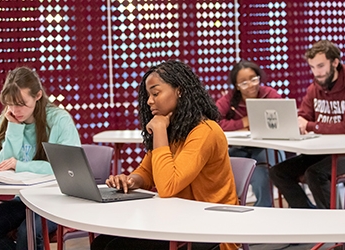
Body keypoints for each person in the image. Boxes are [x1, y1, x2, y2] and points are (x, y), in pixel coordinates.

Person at [91, 60, 239, 250]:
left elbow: (168, 186)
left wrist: (159, 130)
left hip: (211, 228)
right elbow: (147, 171)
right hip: (179, 220)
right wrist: (131, 181)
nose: (149, 101)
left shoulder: (205, 131)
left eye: (155, 93)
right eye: (148, 95)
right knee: (102, 243)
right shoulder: (176, 129)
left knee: (115, 247)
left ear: (179, 90)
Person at [0, 66, 81, 250]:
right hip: (22, 199)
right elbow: (0, 166)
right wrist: (15, 129)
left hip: (57, 198)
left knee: (29, 233)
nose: (15, 110)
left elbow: (68, 168)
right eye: (10, 103)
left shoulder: (59, 120)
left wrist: (22, 166)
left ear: (38, 96)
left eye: (21, 103)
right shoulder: (9, 119)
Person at [269, 40, 345, 209]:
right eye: (313, 67)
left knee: (314, 174)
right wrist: (300, 123)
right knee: (278, 172)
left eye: (321, 66)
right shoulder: (314, 89)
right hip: (321, 151)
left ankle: (331, 224)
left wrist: (311, 126)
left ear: (335, 62)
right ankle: (308, 216)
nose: (317, 72)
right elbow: (303, 116)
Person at [216, 60, 284, 207]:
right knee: (223, 172)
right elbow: (214, 122)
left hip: (265, 147)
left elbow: (283, 119)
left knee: (262, 177)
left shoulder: (269, 94)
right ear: (237, 86)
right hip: (238, 147)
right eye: (244, 82)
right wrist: (243, 122)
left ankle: (263, 214)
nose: (251, 85)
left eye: (253, 79)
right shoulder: (229, 99)